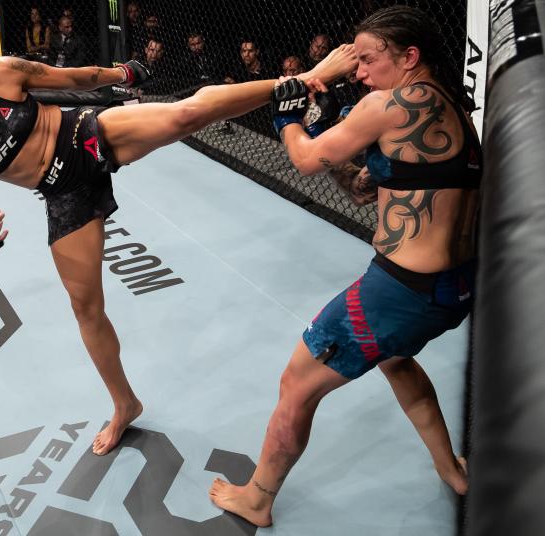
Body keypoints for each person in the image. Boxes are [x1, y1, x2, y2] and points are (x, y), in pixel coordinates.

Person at [0, 29, 356, 456]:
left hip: (85, 136)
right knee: (86, 310)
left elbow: (78, 78)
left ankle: (301, 81)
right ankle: (125, 406)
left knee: (186, 114)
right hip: (63, 193)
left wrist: (123, 73)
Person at [210, 6, 480, 526]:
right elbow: (363, 190)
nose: (359, 71)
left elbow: (307, 160)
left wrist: (289, 117)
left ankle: (258, 498)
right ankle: (453, 470)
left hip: (403, 290)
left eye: (368, 59)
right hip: (454, 289)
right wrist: (329, 120)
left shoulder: (393, 102)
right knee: (395, 359)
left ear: (409, 57)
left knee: (297, 382)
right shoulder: (453, 107)